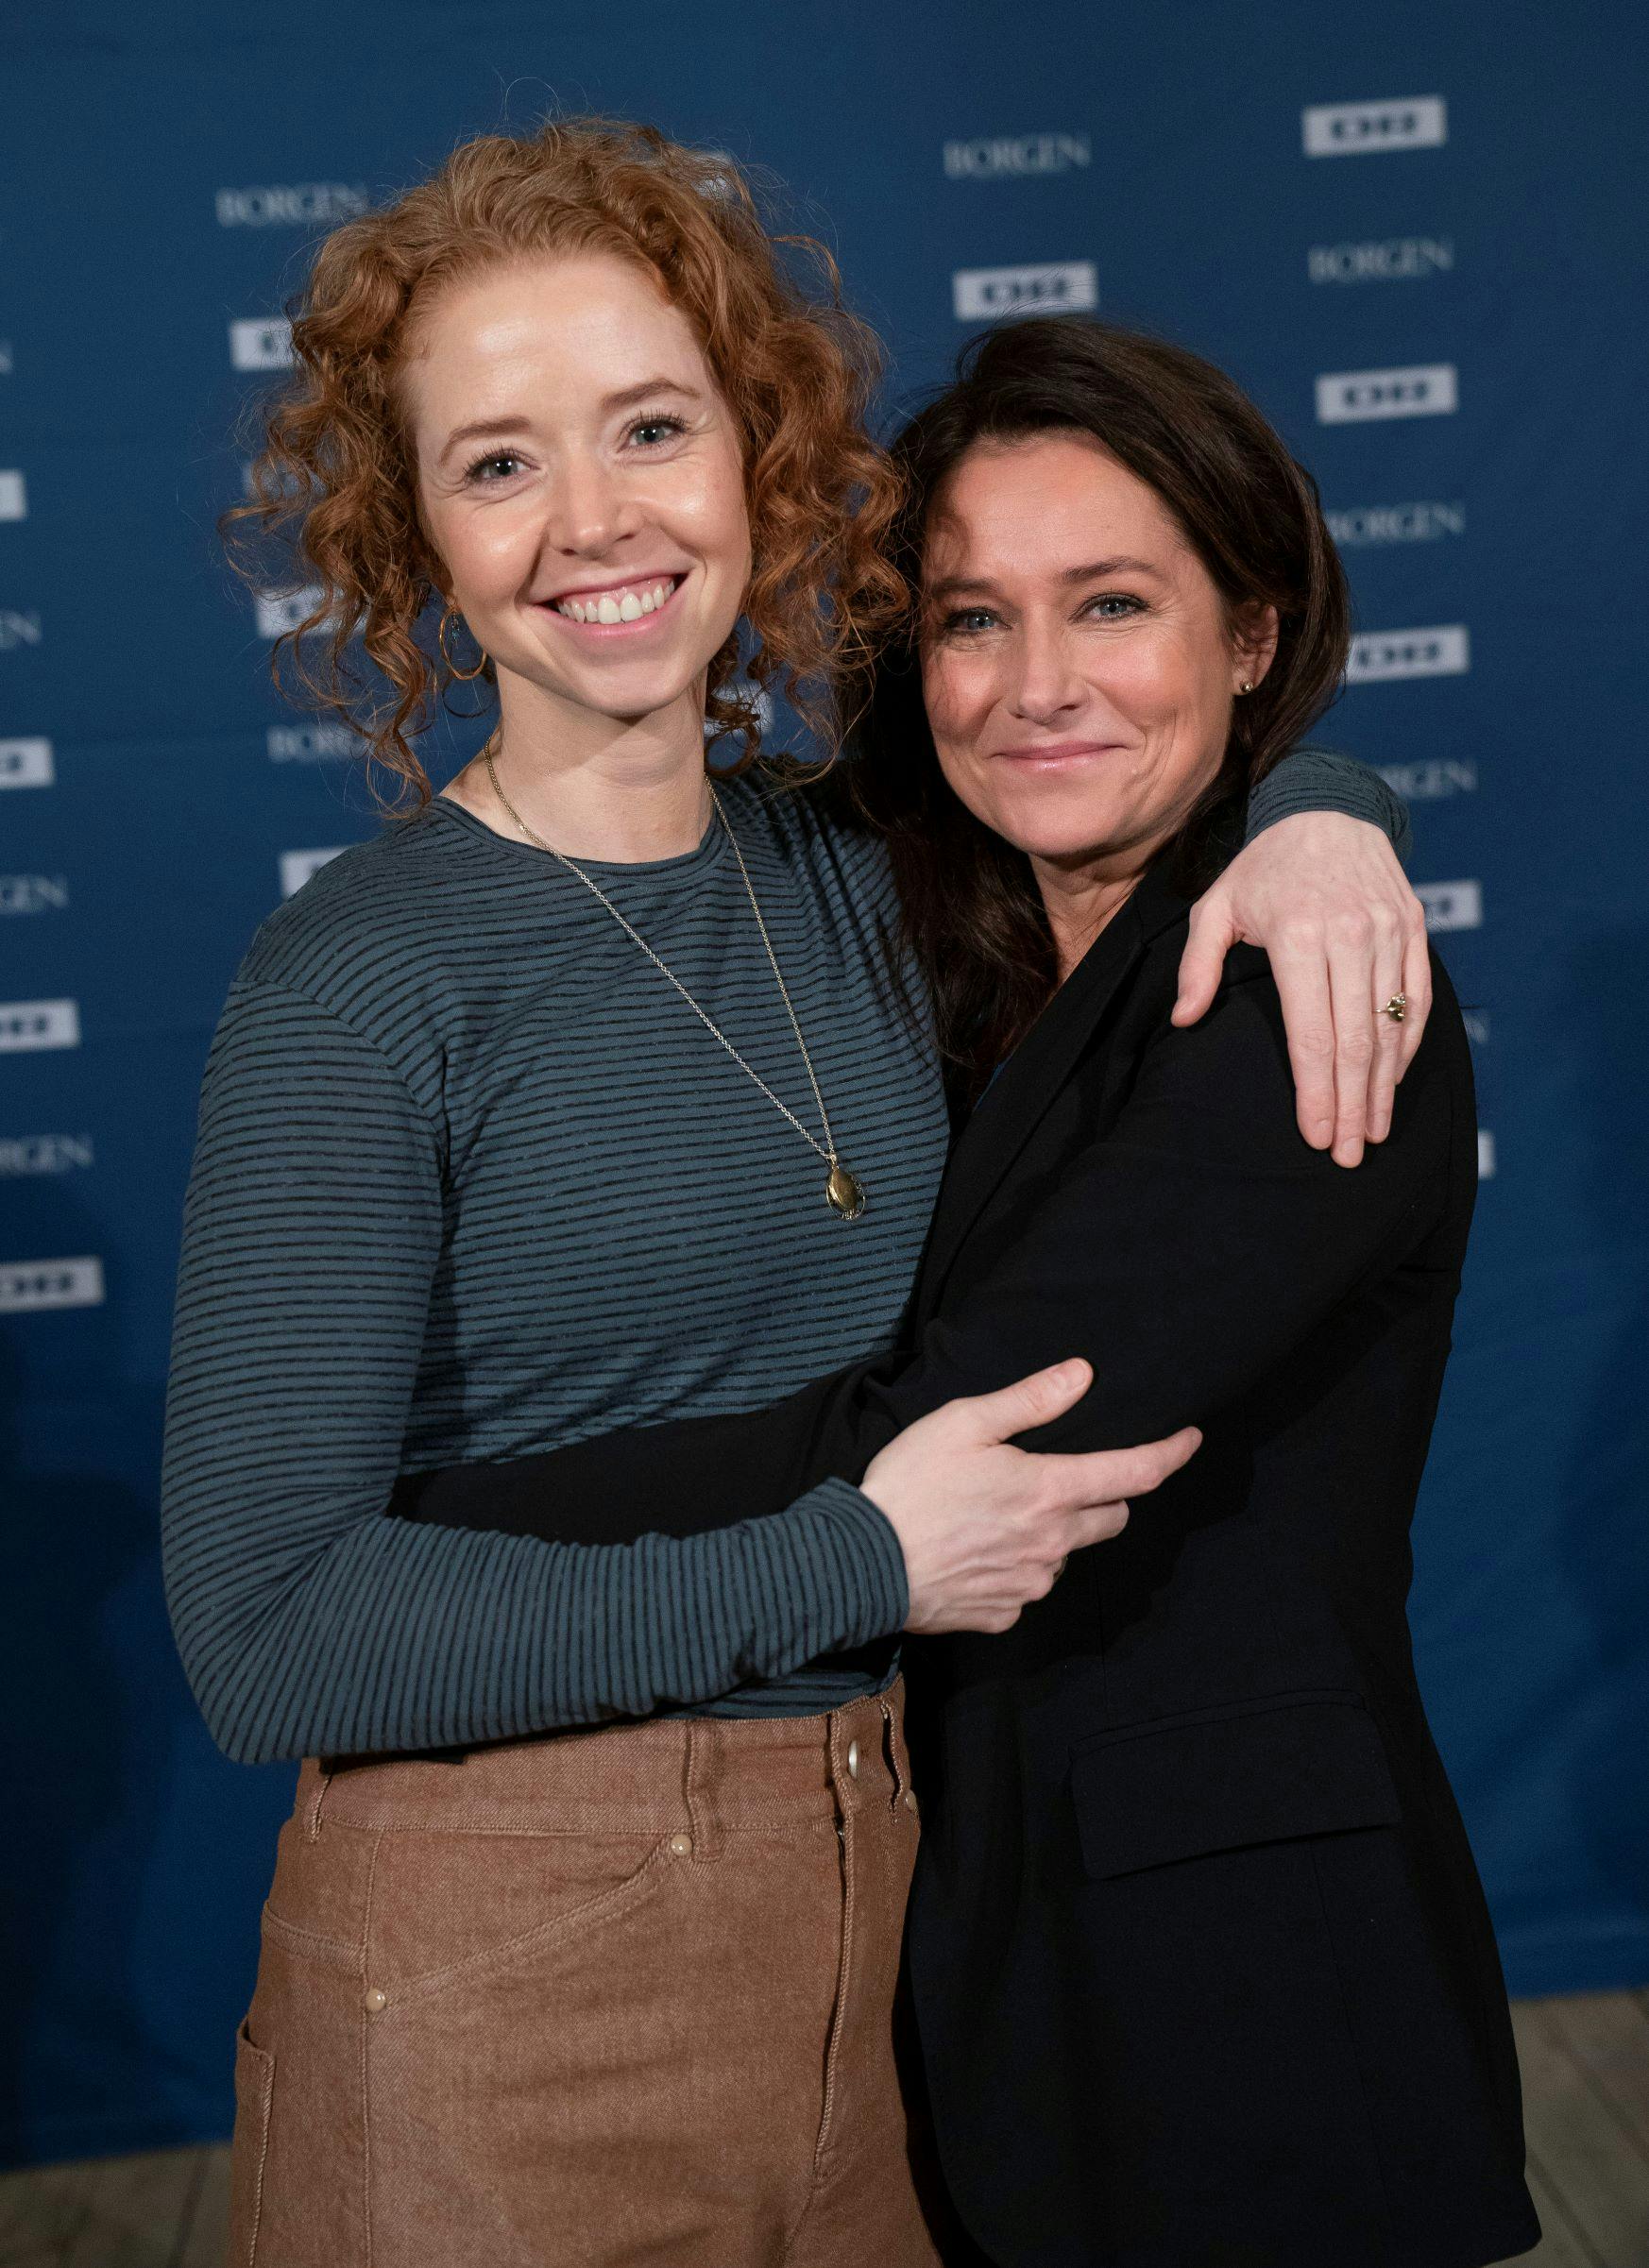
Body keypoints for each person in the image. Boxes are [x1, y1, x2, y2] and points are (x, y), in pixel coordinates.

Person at [162, 121, 1421, 2266]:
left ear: (757, 451)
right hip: (495, 1966)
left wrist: (1329, 804)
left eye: (651, 427)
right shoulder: (353, 987)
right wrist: (850, 1558)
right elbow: (269, 1636)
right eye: (496, 463)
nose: (593, 522)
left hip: (890, 1947)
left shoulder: (868, 873)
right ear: (410, 541)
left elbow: (1132, 712)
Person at [416, 316, 1543, 2268]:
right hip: (947, 1946)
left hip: (1236, 1988)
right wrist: (1334, 792)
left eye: (1112, 605)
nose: (1035, 689)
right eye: (968, 620)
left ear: (1251, 634)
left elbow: (976, 1427)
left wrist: (441, 1516)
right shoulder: (926, 945)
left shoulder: (1301, 994)